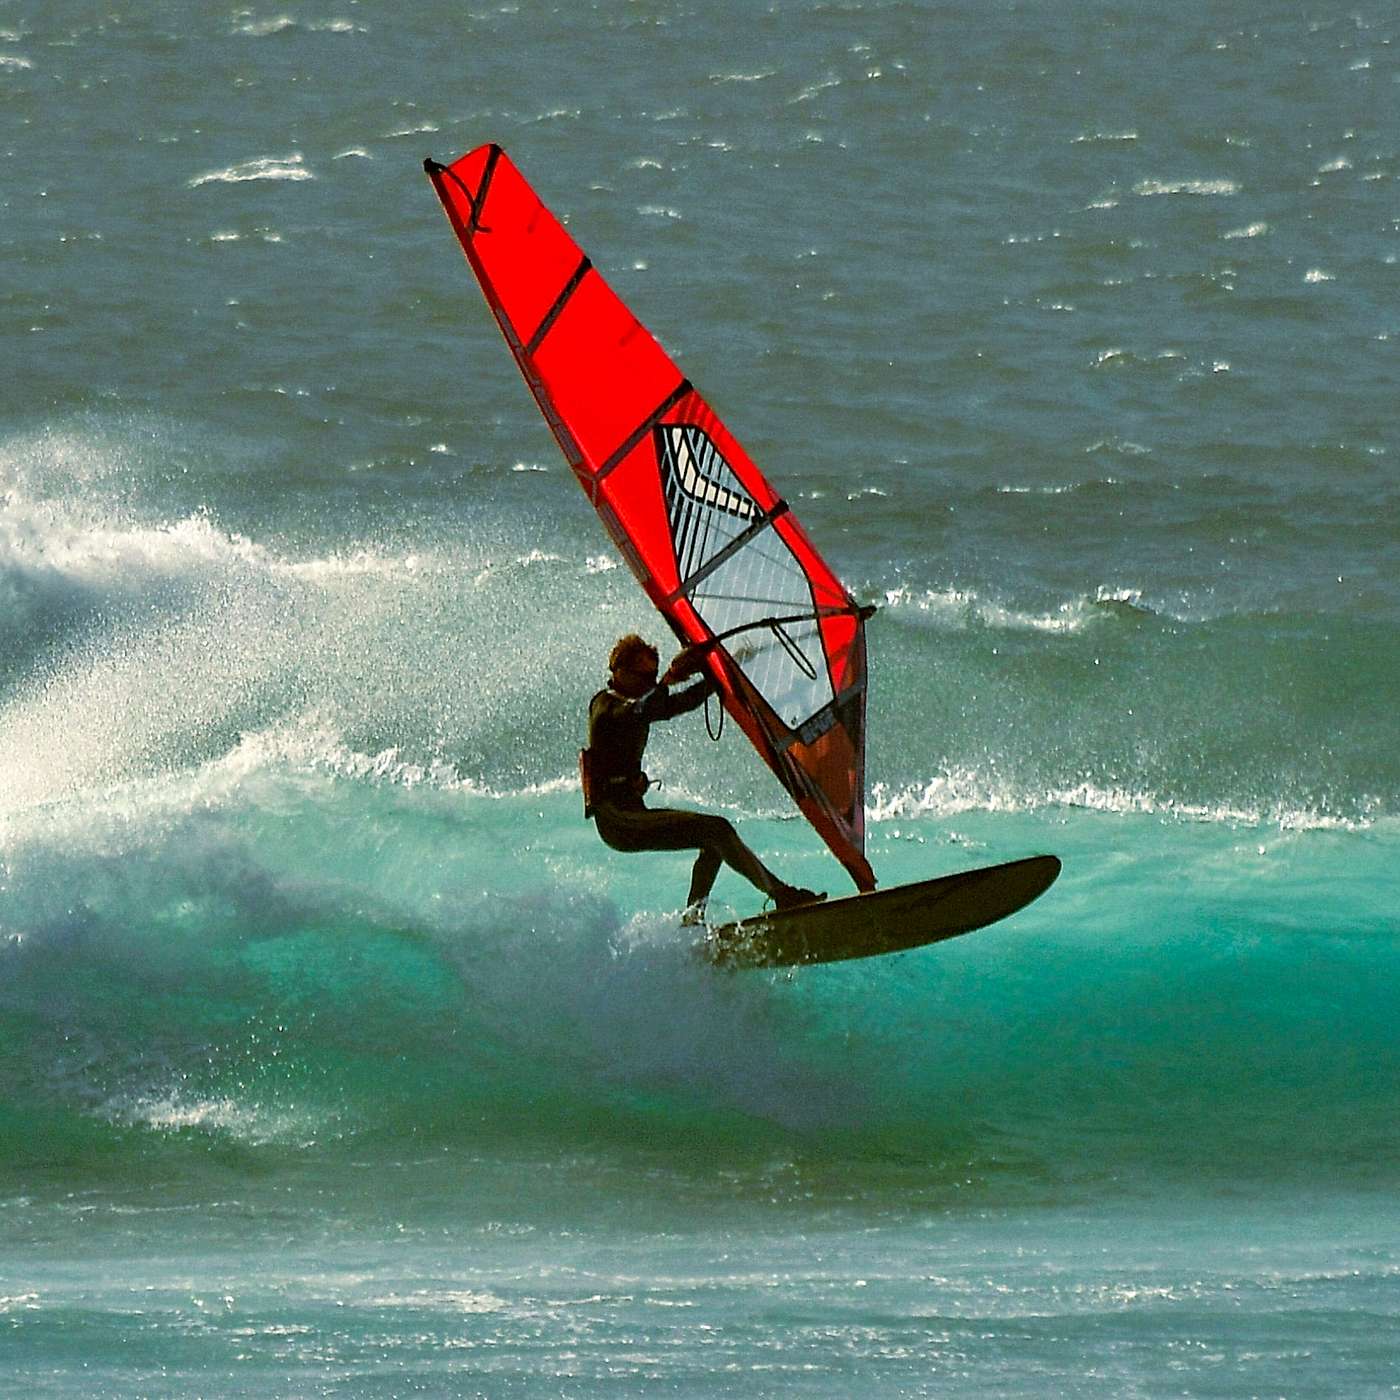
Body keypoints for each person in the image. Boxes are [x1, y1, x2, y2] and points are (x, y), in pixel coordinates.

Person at [583, 633, 824, 924]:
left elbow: (678, 704)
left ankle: (692, 919)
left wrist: (718, 676)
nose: (649, 682)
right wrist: (668, 679)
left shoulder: (638, 702)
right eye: (642, 675)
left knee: (713, 841)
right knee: (718, 829)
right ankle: (782, 894)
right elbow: (637, 712)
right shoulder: (605, 705)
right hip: (616, 819)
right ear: (618, 671)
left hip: (631, 812)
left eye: (653, 676)